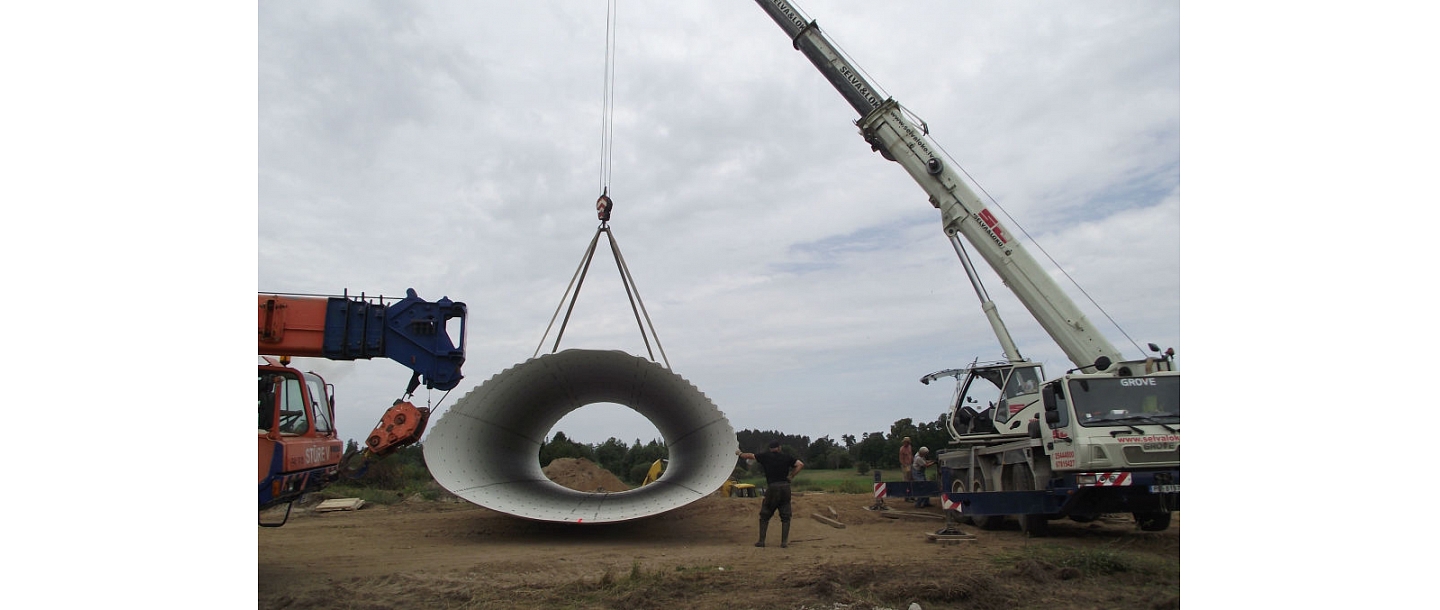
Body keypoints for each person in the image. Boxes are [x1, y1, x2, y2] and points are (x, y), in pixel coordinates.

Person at [738, 441, 804, 548]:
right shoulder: (787, 457)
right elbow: (800, 464)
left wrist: (740, 454)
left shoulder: (765, 456)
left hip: (773, 487)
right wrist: (791, 476)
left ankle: (761, 541)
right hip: (785, 487)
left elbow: (750, 456)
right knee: (786, 516)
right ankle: (784, 542)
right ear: (779, 448)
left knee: (765, 514)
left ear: (770, 449)